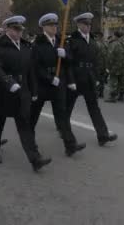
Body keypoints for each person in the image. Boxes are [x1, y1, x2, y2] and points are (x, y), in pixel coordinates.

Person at [0, 15, 52, 172]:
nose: (19, 32)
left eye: (20, 29)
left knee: (25, 126)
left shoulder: (25, 47)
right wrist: (9, 83)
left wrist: (34, 90)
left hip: (22, 92)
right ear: (7, 29)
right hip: (3, 92)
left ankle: (35, 158)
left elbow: (30, 71)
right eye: (16, 29)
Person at [30, 13, 86, 156]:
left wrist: (65, 55)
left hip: (59, 83)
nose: (54, 27)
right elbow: (36, 67)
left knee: (62, 115)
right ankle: (29, 143)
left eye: (55, 25)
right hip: (43, 84)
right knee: (33, 117)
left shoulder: (61, 42)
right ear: (43, 27)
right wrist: (49, 78)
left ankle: (70, 145)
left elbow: (70, 62)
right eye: (51, 25)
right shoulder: (37, 44)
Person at [66, 12, 118, 146]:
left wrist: (98, 77)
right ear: (78, 24)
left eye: (89, 24)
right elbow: (69, 63)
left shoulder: (93, 40)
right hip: (76, 78)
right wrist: (70, 80)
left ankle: (103, 135)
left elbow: (96, 61)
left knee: (94, 107)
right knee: (67, 107)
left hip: (89, 78)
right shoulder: (72, 40)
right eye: (85, 24)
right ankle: (63, 129)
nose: (88, 26)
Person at [104, 31, 124, 103]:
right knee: (121, 80)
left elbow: (110, 56)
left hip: (114, 65)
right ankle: (121, 96)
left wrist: (108, 66)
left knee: (113, 80)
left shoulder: (113, 44)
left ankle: (112, 97)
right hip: (122, 65)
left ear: (115, 36)